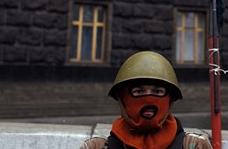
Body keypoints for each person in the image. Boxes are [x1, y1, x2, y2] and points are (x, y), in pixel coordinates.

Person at [80, 51, 212, 149]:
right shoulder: (95, 147)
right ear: (123, 99)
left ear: (169, 100)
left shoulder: (196, 146)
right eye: (139, 92)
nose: (149, 99)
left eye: (157, 92)